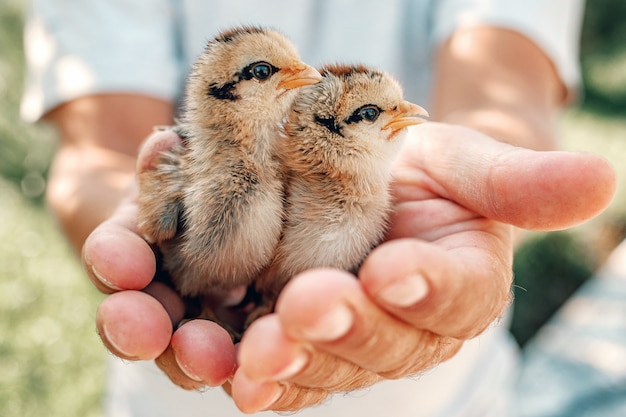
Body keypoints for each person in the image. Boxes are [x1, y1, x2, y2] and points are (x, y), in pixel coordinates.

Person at [21, 0, 616, 415]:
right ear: (224, 93)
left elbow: (502, 88)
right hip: (179, 377)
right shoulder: (221, 171)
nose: (294, 77)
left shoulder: (324, 182)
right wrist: (147, 226)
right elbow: (101, 148)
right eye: (265, 73)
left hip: (445, 401)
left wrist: (477, 179)